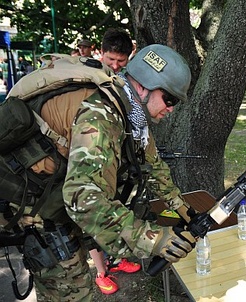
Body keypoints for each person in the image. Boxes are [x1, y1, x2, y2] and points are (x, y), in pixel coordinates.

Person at [4, 44, 196, 301]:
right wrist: (153, 239)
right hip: (31, 206)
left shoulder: (132, 114)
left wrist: (184, 209)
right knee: (73, 292)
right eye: (169, 99)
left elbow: (153, 165)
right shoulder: (101, 116)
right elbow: (83, 198)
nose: (171, 108)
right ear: (143, 87)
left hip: (53, 198)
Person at [88, 27, 137, 295]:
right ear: (101, 53)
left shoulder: (121, 82)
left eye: (121, 61)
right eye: (111, 60)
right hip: (92, 161)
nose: (115, 66)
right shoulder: (88, 79)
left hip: (115, 163)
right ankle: (100, 271)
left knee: (116, 210)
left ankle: (116, 259)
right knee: (94, 217)